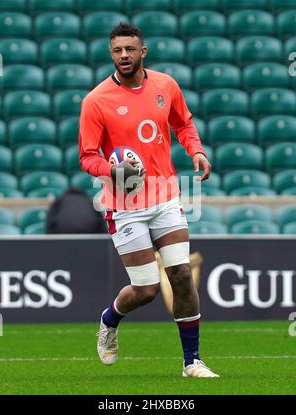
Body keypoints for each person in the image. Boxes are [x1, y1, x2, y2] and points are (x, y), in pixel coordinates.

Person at [79, 22, 219, 378]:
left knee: (182, 276)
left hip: (165, 197)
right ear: (111, 55)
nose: (123, 56)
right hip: (123, 206)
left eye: (129, 49)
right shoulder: (96, 100)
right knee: (146, 290)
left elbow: (183, 124)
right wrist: (114, 172)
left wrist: (196, 152)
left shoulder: (165, 85)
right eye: (116, 51)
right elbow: (87, 156)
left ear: (144, 51)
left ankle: (192, 362)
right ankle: (109, 320)